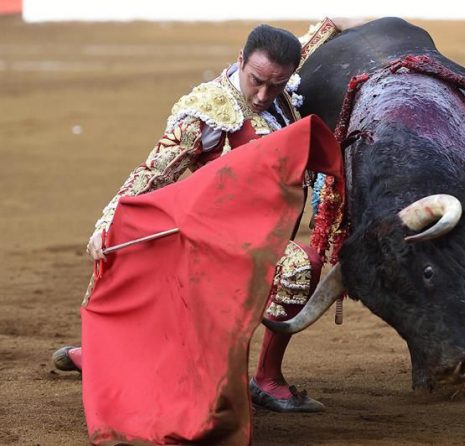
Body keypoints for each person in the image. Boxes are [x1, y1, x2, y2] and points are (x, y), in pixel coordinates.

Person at [52, 18, 343, 413]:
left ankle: (103, 355)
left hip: (262, 229)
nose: (263, 94)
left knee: (299, 262)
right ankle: (264, 379)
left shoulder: (279, 85)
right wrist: (107, 221)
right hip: (218, 234)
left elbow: (308, 43)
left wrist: (335, 25)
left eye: (276, 84)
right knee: (298, 266)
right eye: (256, 79)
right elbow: (154, 171)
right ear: (240, 60)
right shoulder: (206, 112)